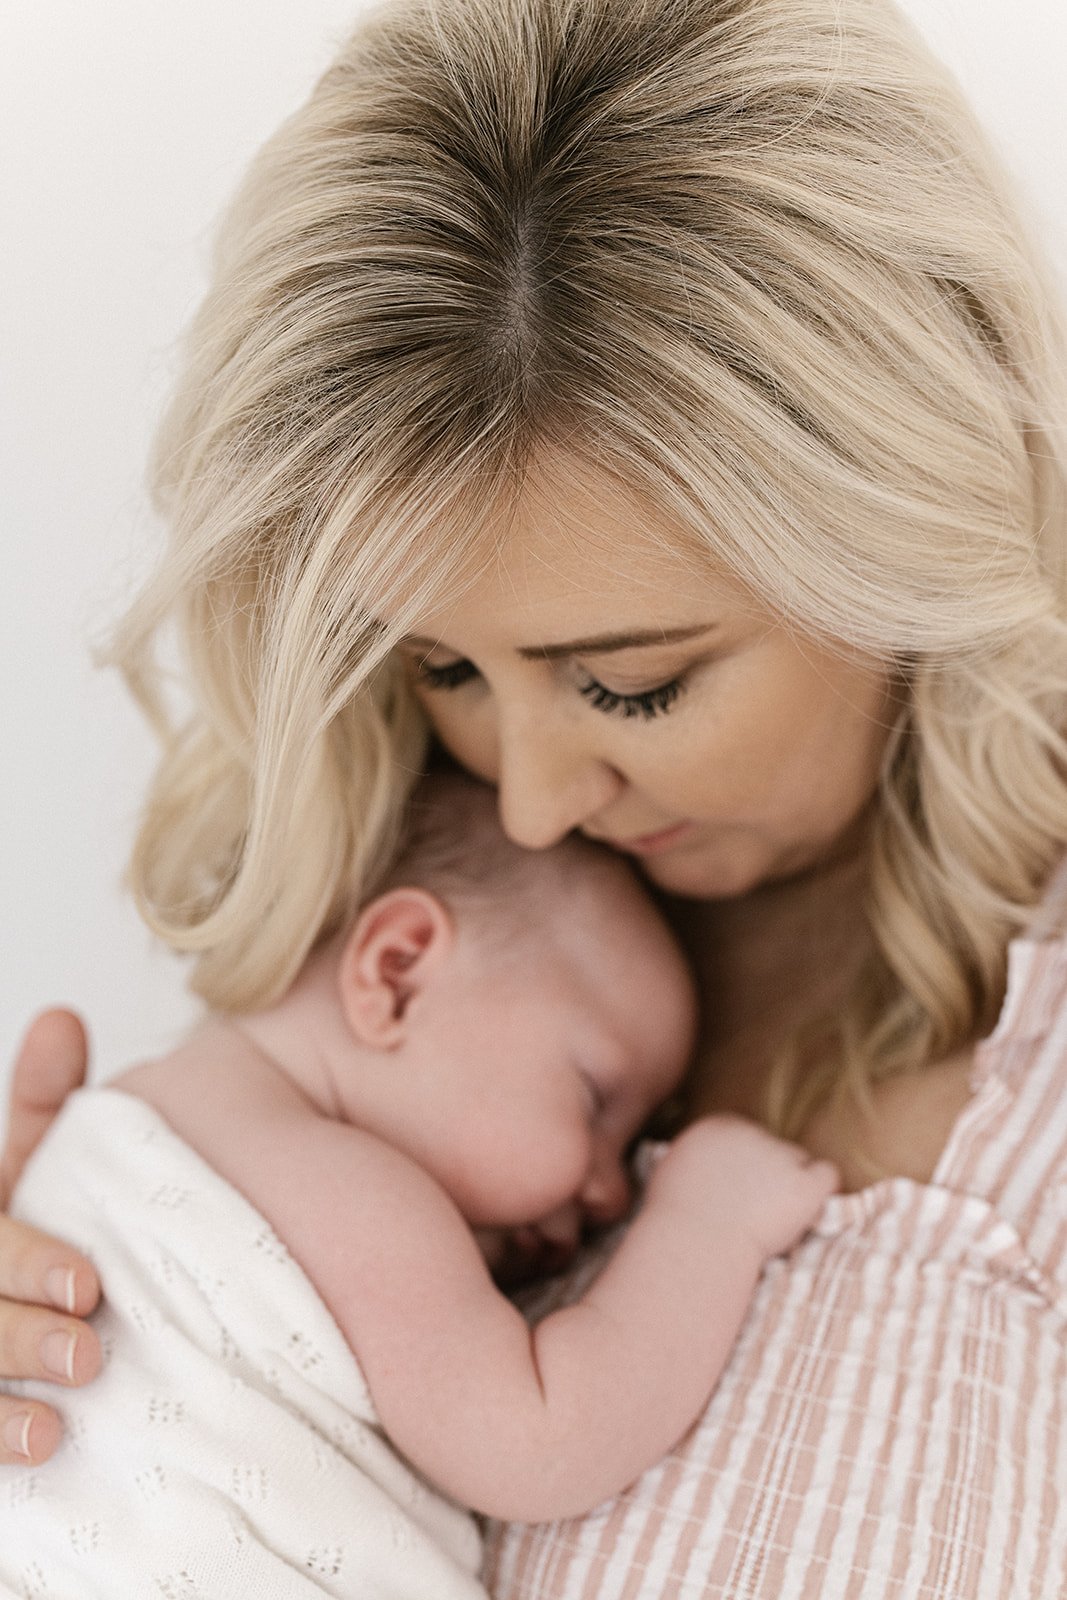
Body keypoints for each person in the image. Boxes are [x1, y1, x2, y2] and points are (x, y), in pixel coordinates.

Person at [3, 0, 1067, 1592]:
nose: (530, 803)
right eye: (440, 671)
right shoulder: (380, 1015)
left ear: (909, 539)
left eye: (629, 683)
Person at [0, 770, 835, 1593]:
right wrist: (706, 1223)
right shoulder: (345, 1189)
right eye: (594, 1101)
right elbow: (536, 1445)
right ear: (396, 975)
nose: (613, 1195)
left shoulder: (119, 1111)